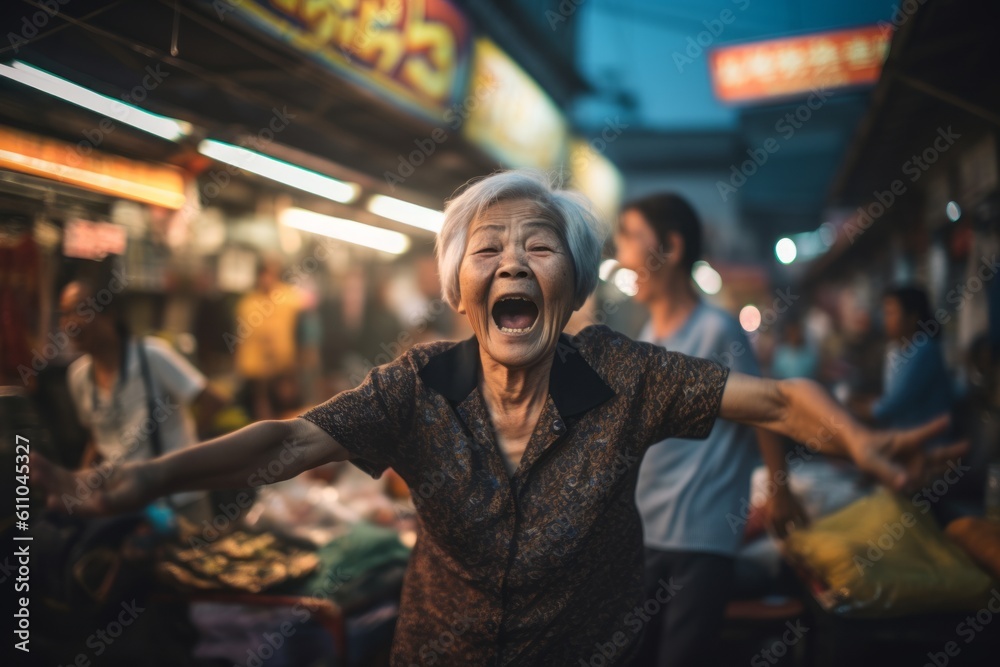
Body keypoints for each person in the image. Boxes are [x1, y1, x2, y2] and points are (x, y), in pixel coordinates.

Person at [34, 171, 963, 666]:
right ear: (461, 290)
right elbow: (286, 441)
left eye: (539, 244)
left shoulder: (624, 374)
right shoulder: (417, 387)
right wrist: (141, 477)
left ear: (571, 283)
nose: (514, 259)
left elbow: (774, 400)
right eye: (490, 247)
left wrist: (859, 439)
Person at [616, 194, 808, 665]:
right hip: (645, 531)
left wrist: (779, 488)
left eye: (633, 240)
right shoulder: (646, 340)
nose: (623, 258)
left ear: (672, 247)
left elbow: (763, 409)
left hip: (702, 536)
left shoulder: (717, 331)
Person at [58, 275, 225, 519]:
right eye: (64, 314)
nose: (70, 323)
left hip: (180, 501)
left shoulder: (151, 356)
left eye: (79, 311)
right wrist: (82, 483)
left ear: (109, 315)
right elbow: (96, 435)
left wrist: (188, 454)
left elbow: (212, 400)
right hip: (127, 503)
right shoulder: (78, 376)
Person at [853, 285, 953, 430]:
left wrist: (855, 408)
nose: (885, 320)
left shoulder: (924, 349)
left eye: (890, 313)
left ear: (912, 318)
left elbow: (892, 405)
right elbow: (889, 399)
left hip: (930, 444)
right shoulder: (895, 349)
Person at [234, 258, 305, 420]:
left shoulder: (290, 298)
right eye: (264, 274)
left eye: (271, 274)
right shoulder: (247, 303)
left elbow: (300, 330)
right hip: (254, 369)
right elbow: (241, 336)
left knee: (285, 410)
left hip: (283, 367)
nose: (267, 279)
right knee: (257, 409)